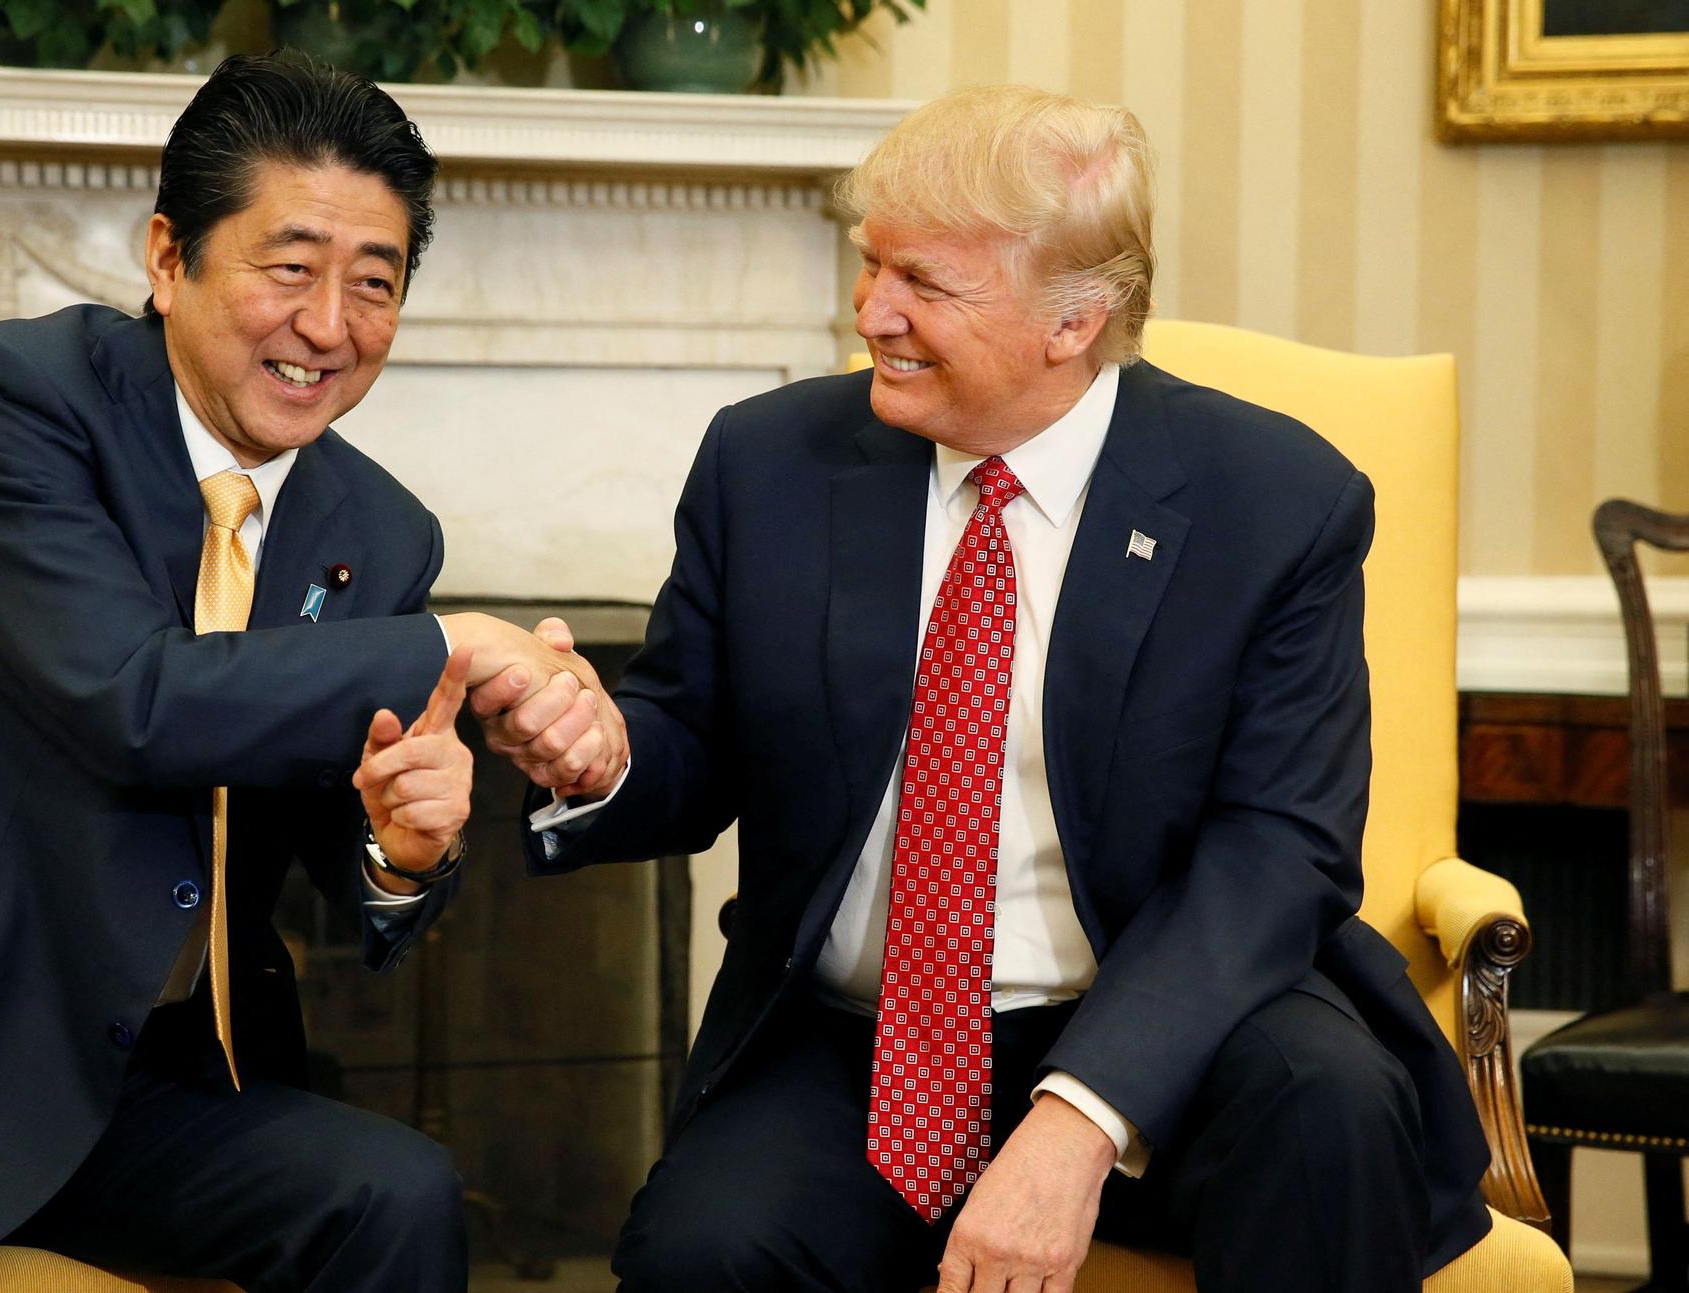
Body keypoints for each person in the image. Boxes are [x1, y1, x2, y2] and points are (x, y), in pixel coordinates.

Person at [478, 85, 1493, 1293]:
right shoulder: (770, 463)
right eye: (870, 267)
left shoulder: (1270, 500)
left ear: (1074, 321)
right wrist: (598, 752)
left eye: (924, 283)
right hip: (859, 1045)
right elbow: (688, 739)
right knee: (700, 1253)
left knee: (1325, 1109)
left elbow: (1279, 849)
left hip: (1163, 1013)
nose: (871, 313)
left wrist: (1078, 1119)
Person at [0, 52, 600, 1293]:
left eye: (372, 284)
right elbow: (133, 701)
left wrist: (404, 845)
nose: (328, 326)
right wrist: (456, 642)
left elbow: (341, 843)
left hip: (137, 1085)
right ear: (168, 258)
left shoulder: (380, 531)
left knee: (392, 1197)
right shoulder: (7, 400)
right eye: (289, 268)